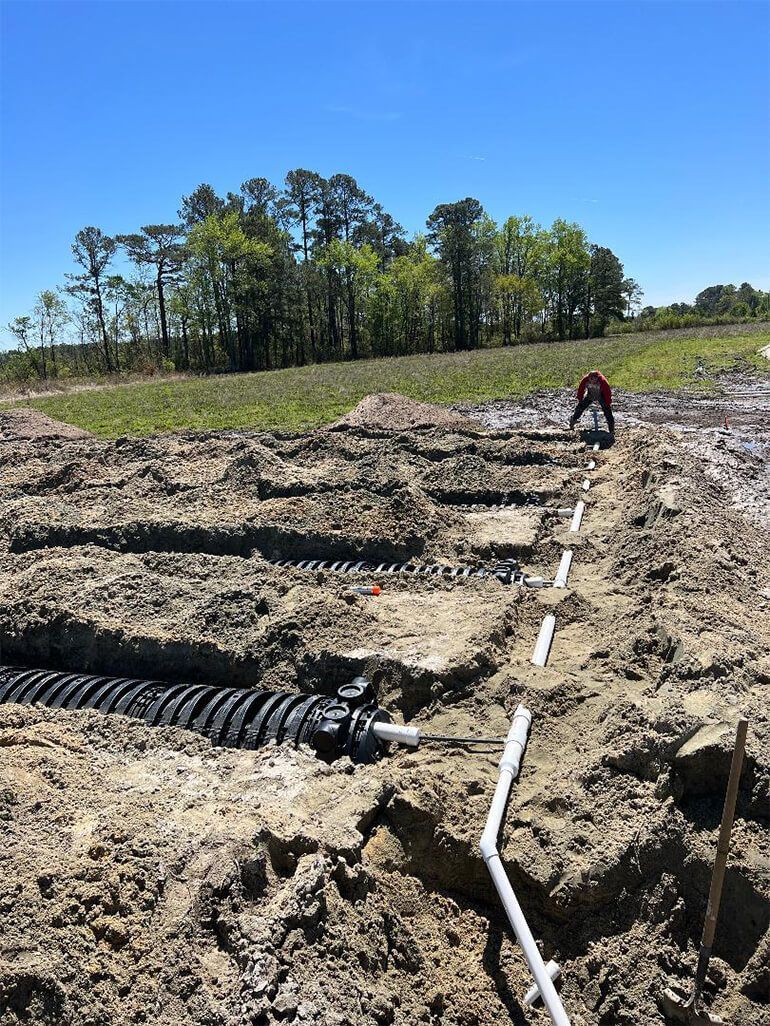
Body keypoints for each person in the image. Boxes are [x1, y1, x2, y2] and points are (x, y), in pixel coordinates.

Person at [570, 369, 614, 434]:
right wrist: (580, 399)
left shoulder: (603, 381)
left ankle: (611, 429)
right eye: (591, 379)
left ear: (597, 378)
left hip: (601, 394)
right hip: (590, 394)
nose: (592, 381)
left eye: (594, 379)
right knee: (580, 407)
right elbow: (581, 389)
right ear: (589, 378)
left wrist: (608, 402)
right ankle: (573, 421)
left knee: (607, 410)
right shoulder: (585, 380)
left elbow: (607, 392)